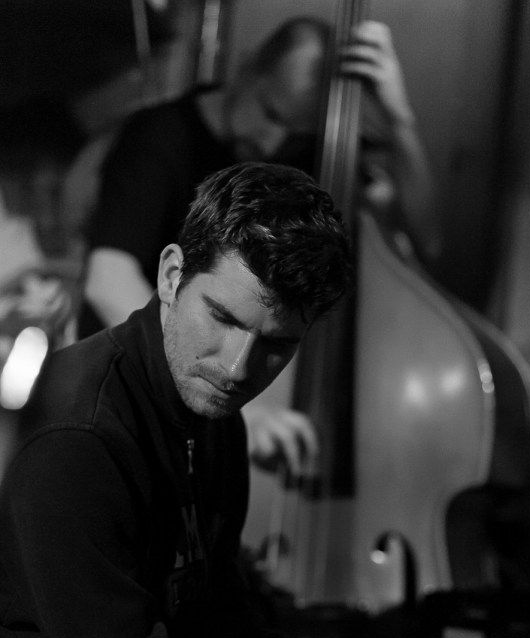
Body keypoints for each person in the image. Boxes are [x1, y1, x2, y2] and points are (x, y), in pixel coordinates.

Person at [0, 162, 530, 638]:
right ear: (170, 275)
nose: (237, 367)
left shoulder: (206, 415)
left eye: (276, 344)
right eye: (222, 319)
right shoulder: (78, 438)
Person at [80, 15, 442, 477]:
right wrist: (230, 400)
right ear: (248, 69)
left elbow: (425, 238)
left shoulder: (306, 159)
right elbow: (107, 277)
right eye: (271, 112)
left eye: (296, 132)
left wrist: (399, 119)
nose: (273, 143)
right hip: (141, 412)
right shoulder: (161, 137)